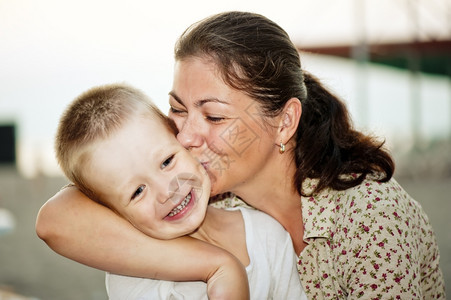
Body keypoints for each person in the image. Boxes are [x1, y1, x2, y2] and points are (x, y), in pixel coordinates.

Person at [36, 11, 446, 299]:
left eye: (213, 115)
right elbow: (56, 219)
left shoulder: (369, 216)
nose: (188, 135)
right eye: (178, 109)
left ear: (284, 123)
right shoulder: (195, 193)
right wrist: (215, 264)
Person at [53, 82, 306, 300]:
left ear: (184, 141)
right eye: (137, 192)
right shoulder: (132, 276)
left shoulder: (267, 234)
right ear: (113, 213)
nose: (166, 191)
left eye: (166, 162)